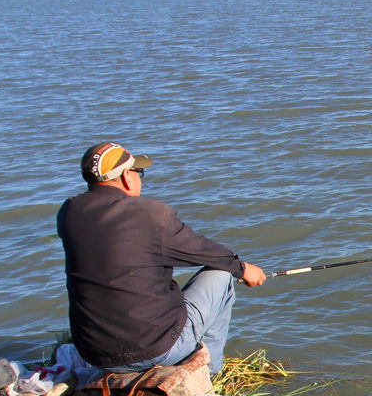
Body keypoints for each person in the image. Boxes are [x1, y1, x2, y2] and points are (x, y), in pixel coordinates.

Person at [57, 141, 266, 375]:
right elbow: (201, 250)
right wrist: (243, 268)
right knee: (223, 275)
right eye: (139, 172)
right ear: (127, 176)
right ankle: (210, 375)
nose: (139, 178)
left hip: (94, 353)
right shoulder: (149, 214)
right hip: (154, 350)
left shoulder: (68, 212)